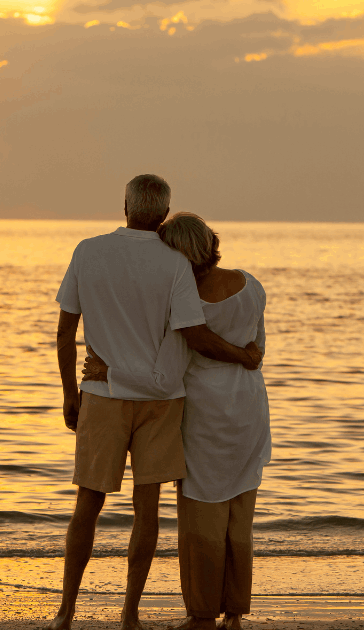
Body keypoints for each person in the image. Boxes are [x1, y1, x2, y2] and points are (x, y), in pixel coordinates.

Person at [48, 176, 263, 630]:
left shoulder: (87, 250)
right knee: (147, 512)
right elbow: (191, 333)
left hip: (103, 395)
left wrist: (70, 392)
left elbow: (67, 331)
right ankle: (129, 614)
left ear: (124, 204)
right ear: (164, 214)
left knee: (87, 503)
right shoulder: (176, 265)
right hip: (164, 403)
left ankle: (66, 611)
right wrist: (245, 356)